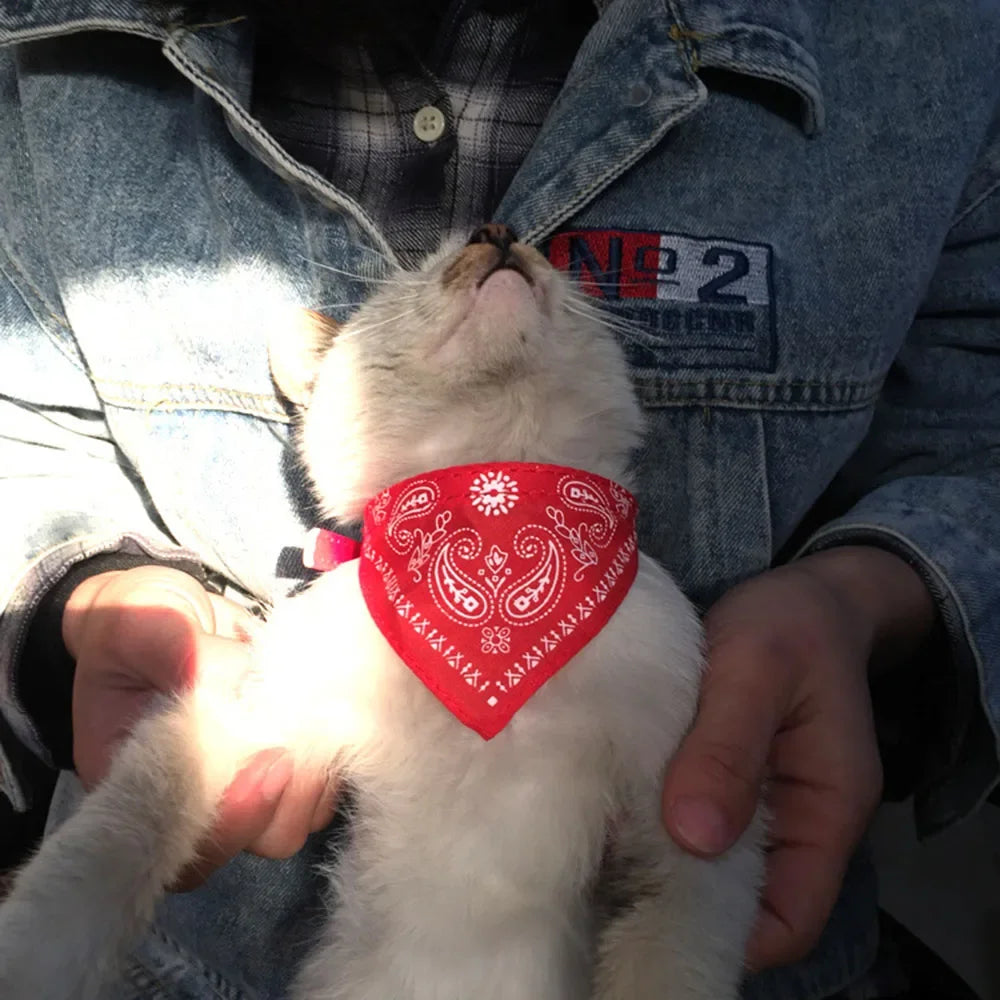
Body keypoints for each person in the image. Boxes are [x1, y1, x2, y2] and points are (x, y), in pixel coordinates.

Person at [0, 0, 997, 997]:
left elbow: (697, 869)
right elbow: (201, 743)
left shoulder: (645, 624)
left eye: (548, 282)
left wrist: (871, 591)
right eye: (403, 292)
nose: (493, 246)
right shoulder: (355, 610)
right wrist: (89, 597)